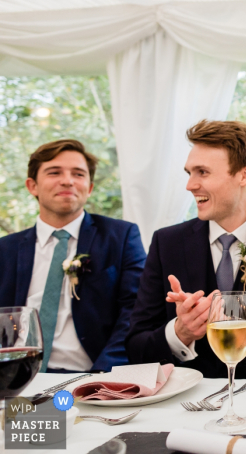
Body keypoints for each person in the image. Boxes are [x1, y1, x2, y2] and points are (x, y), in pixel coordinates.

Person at [126, 120, 246, 379]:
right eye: (189, 173)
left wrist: (239, 325)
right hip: (187, 405)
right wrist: (181, 332)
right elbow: (135, 347)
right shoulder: (167, 244)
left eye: (202, 172)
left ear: (245, 175)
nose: (190, 185)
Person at [0, 140, 146, 372]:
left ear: (89, 187)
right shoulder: (6, 249)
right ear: (32, 186)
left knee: (54, 409)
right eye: (54, 172)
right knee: (24, 410)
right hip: (16, 378)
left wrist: (101, 378)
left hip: (91, 376)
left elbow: (136, 311)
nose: (67, 180)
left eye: (78, 174)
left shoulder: (121, 237)